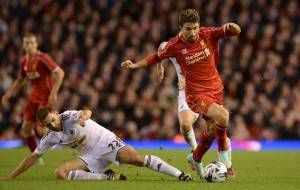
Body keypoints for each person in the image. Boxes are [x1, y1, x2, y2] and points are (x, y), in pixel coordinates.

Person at [121, 9, 240, 178]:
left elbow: (234, 31)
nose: (192, 32)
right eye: (188, 29)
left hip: (215, 89)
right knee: (223, 116)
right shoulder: (174, 45)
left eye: (195, 28)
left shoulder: (207, 34)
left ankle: (196, 158)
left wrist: (232, 26)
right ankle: (225, 161)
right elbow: (156, 57)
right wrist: (135, 65)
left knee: (213, 129)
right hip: (195, 94)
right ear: (181, 28)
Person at [0, 107, 193, 181]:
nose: (53, 124)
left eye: (53, 119)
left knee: (137, 159)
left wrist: (84, 116)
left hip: (107, 142)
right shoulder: (49, 137)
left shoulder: (67, 116)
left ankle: (179, 175)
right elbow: (33, 156)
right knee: (60, 173)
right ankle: (106, 177)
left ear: (56, 113)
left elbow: (87, 111)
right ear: (44, 126)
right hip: (91, 156)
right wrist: (11, 176)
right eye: (49, 124)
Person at [157, 42, 235, 177]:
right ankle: (196, 151)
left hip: (208, 88)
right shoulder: (173, 45)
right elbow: (160, 48)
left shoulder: (204, 42)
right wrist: (160, 66)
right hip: (189, 93)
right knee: (186, 125)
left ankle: (202, 158)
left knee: (215, 125)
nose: (193, 32)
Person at [1, 33, 65, 158]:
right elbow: (20, 80)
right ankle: (35, 157)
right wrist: (8, 94)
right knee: (26, 128)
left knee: (41, 130)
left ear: (36, 44)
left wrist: (53, 93)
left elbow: (60, 73)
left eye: (31, 42)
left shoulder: (42, 58)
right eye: (27, 43)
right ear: (23, 45)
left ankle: (64, 137)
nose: (29, 45)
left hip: (46, 96)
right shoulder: (24, 61)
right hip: (33, 97)